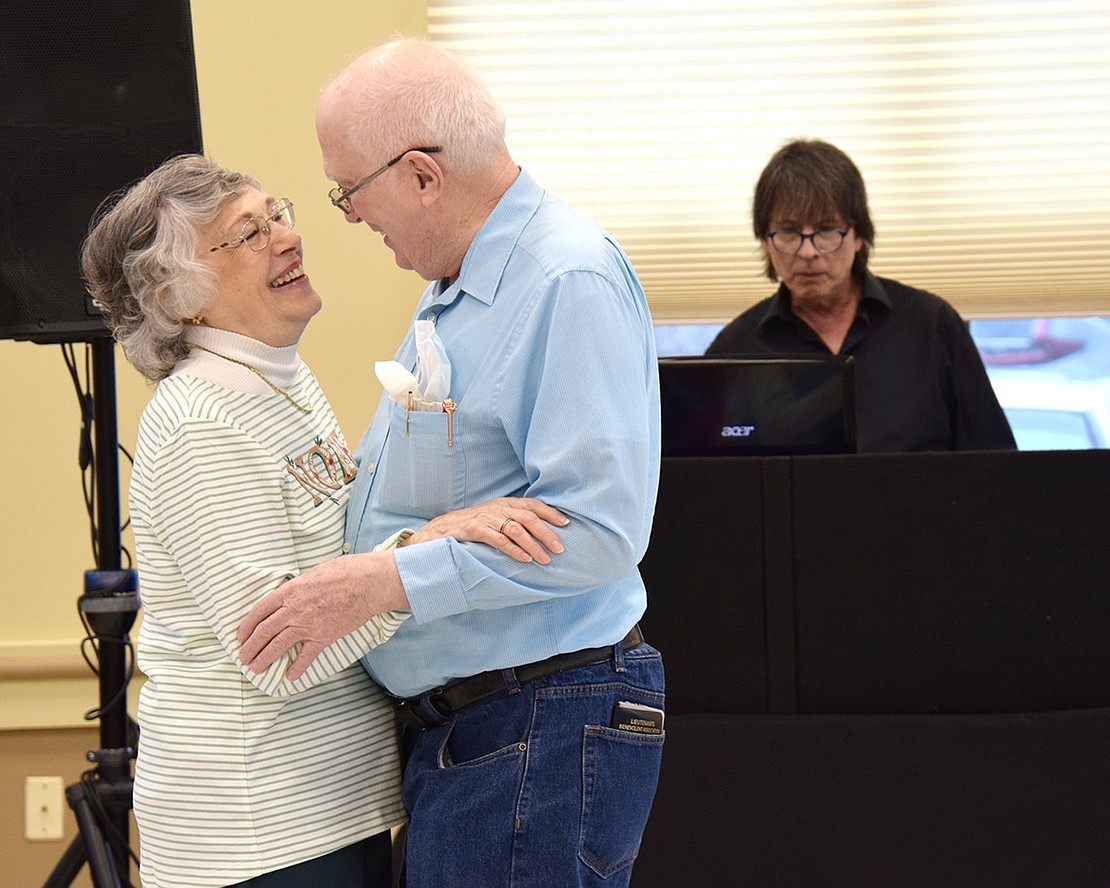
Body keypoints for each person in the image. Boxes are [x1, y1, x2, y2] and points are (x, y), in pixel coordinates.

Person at [236, 38, 665, 888]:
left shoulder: (563, 278)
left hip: (535, 720)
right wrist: (423, 537)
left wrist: (388, 583)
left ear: (423, 175)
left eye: (349, 189)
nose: (349, 216)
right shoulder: (460, 281)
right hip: (483, 731)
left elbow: (602, 531)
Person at [81, 154, 567, 888]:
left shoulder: (282, 381)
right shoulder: (197, 421)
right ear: (179, 296)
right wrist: (431, 544)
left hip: (331, 809)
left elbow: (337, 564)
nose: (286, 237)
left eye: (278, 213)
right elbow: (275, 649)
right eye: (248, 233)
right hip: (259, 832)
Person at [706, 138, 1016, 452]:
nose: (808, 251)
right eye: (788, 232)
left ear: (859, 237)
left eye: (826, 230)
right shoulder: (735, 350)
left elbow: (998, 468)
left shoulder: (931, 326)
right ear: (764, 241)